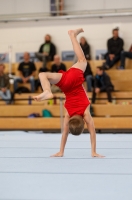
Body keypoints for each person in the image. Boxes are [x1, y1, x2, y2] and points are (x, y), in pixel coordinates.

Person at [33, 28, 104, 158]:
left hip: (74, 80)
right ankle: (47, 91)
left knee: (82, 60)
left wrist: (94, 151)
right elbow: (65, 134)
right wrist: (61, 151)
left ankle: (72, 36)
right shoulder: (68, 115)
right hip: (65, 84)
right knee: (43, 74)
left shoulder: (86, 114)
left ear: (83, 123)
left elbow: (92, 133)